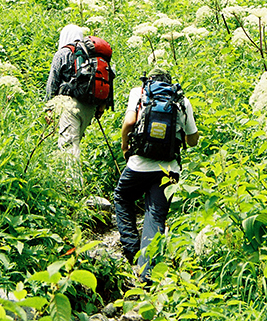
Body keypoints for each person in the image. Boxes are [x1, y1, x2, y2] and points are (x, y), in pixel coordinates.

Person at [113, 68, 199, 283]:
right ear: (169, 82)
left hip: (139, 165)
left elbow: (129, 123)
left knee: (122, 197)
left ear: (149, 80)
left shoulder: (139, 92)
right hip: (169, 170)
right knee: (155, 214)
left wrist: (124, 146)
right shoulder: (182, 100)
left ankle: (131, 250)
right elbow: (192, 140)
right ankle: (146, 272)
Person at [45, 24, 107, 160]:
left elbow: (52, 82)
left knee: (69, 149)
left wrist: (49, 108)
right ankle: (69, 173)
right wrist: (101, 106)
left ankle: (71, 175)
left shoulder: (63, 53)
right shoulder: (92, 54)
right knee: (75, 143)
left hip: (70, 106)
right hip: (90, 107)